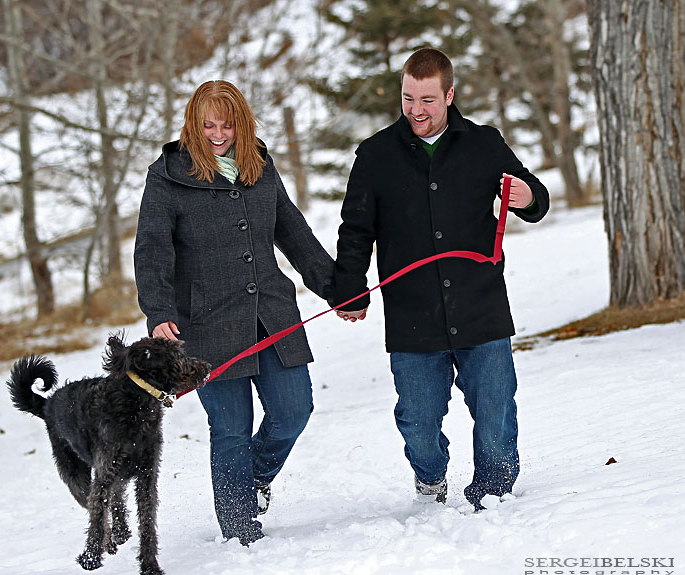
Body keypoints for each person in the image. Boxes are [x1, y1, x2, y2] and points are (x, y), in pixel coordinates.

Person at [332, 48, 549, 511]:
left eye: (428, 99)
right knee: (419, 422)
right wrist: (349, 287)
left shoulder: (484, 143)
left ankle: (494, 495)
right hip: (413, 316)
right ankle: (429, 477)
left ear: (449, 96)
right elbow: (355, 230)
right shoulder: (375, 155)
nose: (416, 110)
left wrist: (528, 196)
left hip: (481, 307)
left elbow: (536, 199)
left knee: (495, 417)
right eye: (409, 97)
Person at [134, 80, 334, 544]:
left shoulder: (259, 167)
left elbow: (294, 233)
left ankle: (253, 480)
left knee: (294, 410)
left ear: (242, 124)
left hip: (271, 314)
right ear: (192, 126)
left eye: (227, 125)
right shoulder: (167, 177)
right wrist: (158, 310)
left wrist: (336, 287)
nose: (217, 134)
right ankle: (239, 528)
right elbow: (151, 251)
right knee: (230, 429)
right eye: (207, 126)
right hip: (204, 324)